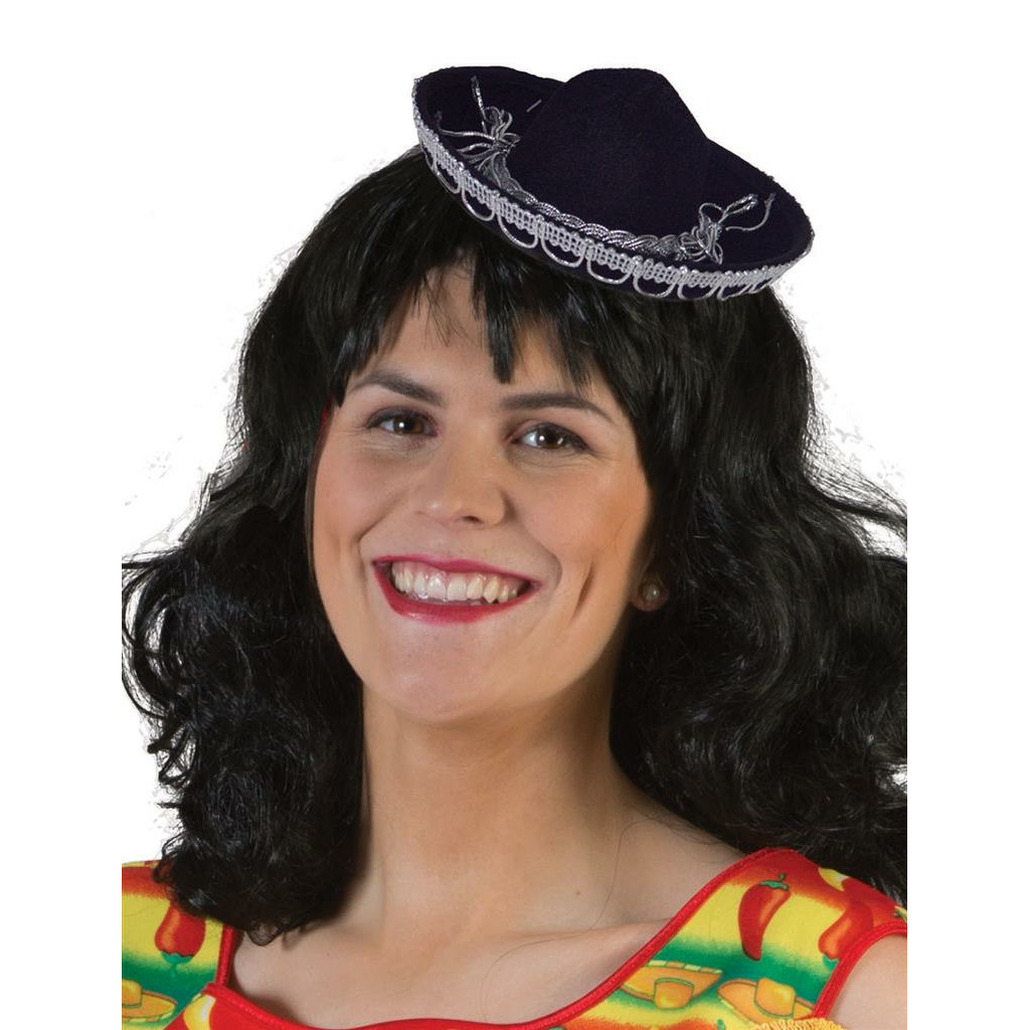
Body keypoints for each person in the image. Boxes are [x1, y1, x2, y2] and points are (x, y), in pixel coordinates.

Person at [122, 65, 907, 1030]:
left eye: (549, 437)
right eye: (401, 421)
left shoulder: (842, 997)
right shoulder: (108, 957)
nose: (454, 497)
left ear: (675, 540)